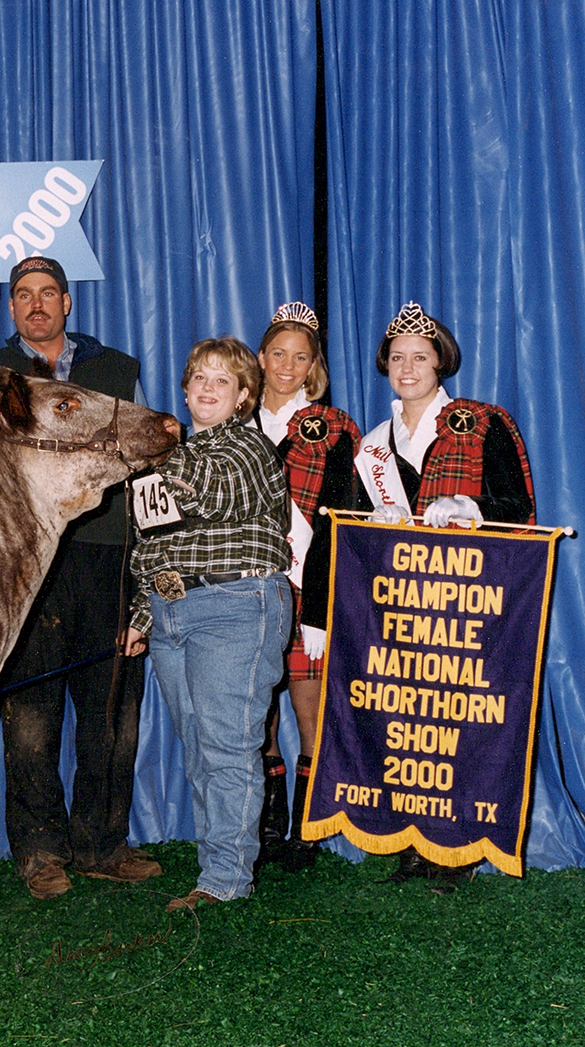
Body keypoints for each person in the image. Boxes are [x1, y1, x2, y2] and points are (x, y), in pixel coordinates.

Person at [0, 256, 158, 900]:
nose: (36, 304)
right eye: (23, 295)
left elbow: (146, 461)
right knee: (31, 716)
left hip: (105, 552)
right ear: (11, 308)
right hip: (27, 564)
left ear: (67, 303)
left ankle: (102, 844)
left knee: (113, 712)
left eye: (47, 293)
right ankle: (41, 852)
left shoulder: (115, 371)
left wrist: (143, 580)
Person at [354, 300, 535, 893]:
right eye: (397, 359)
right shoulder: (374, 443)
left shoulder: (483, 422)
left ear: (441, 364)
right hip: (401, 599)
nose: (407, 369)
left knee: (456, 720)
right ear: (385, 366)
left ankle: (456, 847)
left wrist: (472, 509)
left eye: (420, 358)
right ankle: (413, 838)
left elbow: (522, 510)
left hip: (467, 601)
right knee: (408, 719)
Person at [121, 337, 292, 912]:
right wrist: (143, 618)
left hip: (237, 605)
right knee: (200, 748)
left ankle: (224, 880)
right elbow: (151, 546)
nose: (207, 388)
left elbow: (214, 496)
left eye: (222, 380)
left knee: (225, 747)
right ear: (186, 389)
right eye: (199, 377)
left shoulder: (249, 448)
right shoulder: (168, 460)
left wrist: (155, 455)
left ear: (244, 396)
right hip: (173, 614)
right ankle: (217, 865)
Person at [248, 303, 360, 873]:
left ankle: (307, 832)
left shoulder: (334, 426)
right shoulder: (231, 421)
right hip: (246, 591)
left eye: (301, 356)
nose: (287, 366)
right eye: (278, 353)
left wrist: (317, 607)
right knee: (256, 712)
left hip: (305, 589)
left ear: (314, 365)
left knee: (309, 709)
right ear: (260, 357)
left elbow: (344, 519)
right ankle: (267, 827)